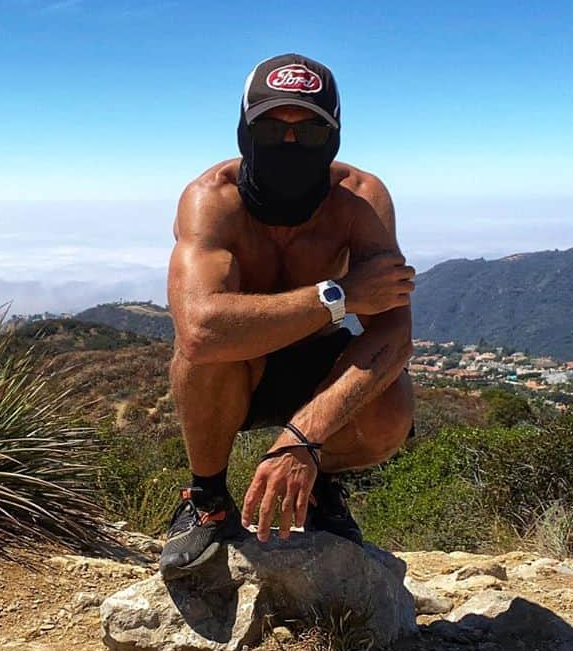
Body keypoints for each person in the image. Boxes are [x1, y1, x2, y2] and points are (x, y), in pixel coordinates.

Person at [160, 53, 416, 578]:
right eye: (272, 128)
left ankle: (316, 483)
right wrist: (340, 295)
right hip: (239, 361)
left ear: (336, 135)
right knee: (199, 357)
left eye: (310, 131)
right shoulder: (213, 200)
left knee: (390, 412)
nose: (290, 143)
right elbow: (202, 330)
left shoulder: (359, 199)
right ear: (244, 128)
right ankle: (207, 498)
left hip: (317, 357)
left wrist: (303, 440)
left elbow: (394, 332)